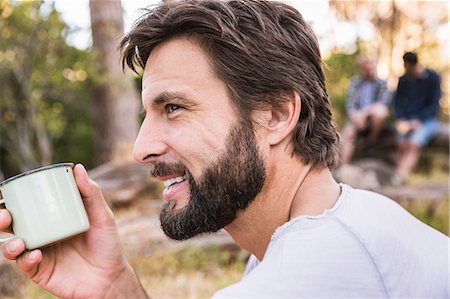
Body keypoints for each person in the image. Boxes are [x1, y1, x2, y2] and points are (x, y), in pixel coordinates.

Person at [1, 1, 448, 298]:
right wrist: (113, 285)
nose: (141, 148)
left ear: (275, 114)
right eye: (146, 115)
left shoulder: (308, 279)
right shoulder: (352, 222)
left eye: (173, 107)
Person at [392, 51, 441, 185]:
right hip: (406, 120)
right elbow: (396, 103)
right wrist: (401, 118)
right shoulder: (404, 80)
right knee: (401, 144)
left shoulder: (433, 77)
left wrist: (418, 120)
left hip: (427, 121)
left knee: (413, 144)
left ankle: (398, 177)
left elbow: (434, 105)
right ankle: (396, 176)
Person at [341, 57, 391, 164]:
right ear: (361, 69)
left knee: (380, 112)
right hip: (357, 118)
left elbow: (384, 103)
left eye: (371, 67)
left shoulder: (382, 83)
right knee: (348, 134)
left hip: (373, 117)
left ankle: (371, 141)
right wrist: (355, 117)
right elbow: (350, 105)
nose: (369, 70)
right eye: (366, 68)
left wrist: (364, 114)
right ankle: (343, 165)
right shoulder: (355, 83)